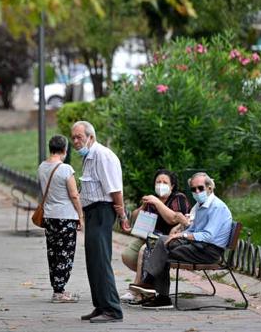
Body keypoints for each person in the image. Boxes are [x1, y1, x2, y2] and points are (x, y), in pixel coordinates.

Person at [139, 172, 233, 309]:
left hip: (209, 251)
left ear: (210, 188)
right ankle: (151, 285)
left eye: (200, 188)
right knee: (163, 240)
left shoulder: (216, 207)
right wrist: (178, 234)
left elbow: (208, 236)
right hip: (198, 246)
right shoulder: (200, 205)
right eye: (193, 189)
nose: (197, 191)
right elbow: (193, 229)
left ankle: (154, 289)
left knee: (164, 251)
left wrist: (182, 236)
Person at [71, 121, 130, 323]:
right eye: (74, 137)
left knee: (101, 261)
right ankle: (101, 305)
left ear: (91, 137)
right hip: (93, 212)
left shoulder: (103, 156)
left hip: (103, 211)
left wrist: (122, 216)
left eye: (79, 137)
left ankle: (113, 309)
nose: (76, 141)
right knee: (93, 261)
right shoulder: (89, 157)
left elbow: (115, 189)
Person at [119, 169, 191, 304]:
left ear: (172, 186)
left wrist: (158, 203)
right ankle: (150, 280)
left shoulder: (178, 198)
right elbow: (134, 217)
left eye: (165, 182)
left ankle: (138, 290)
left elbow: (173, 219)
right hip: (149, 237)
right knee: (127, 255)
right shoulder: (153, 199)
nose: (161, 184)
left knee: (143, 251)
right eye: (158, 182)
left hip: (169, 240)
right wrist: (143, 206)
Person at [38, 135, 84, 303]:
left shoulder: (42, 167)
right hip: (66, 217)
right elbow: (74, 195)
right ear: (65, 149)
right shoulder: (65, 169)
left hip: (49, 216)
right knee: (65, 255)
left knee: (53, 252)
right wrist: (80, 215)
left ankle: (57, 288)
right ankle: (59, 292)